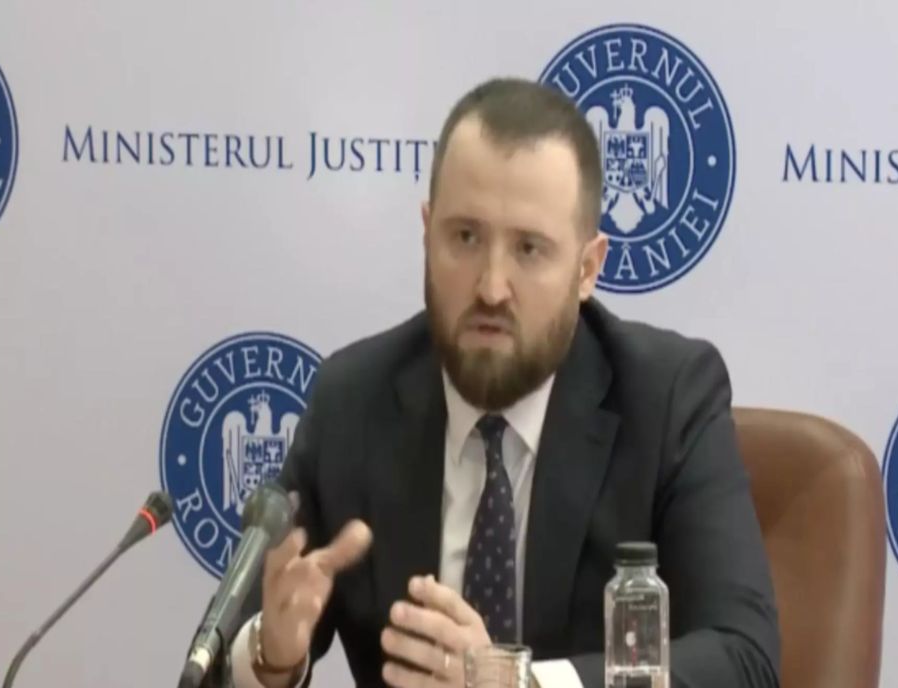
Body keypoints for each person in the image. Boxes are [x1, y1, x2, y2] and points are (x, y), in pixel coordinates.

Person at [226, 77, 780, 688]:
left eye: (529, 249)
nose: (491, 288)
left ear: (587, 268)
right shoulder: (352, 401)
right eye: (465, 238)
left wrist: (518, 683)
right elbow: (231, 654)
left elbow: (743, 660)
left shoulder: (667, 398)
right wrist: (271, 656)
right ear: (427, 233)